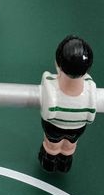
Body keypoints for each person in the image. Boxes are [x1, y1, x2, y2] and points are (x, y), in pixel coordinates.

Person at [38, 35, 96, 173]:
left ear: (58, 64)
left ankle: (49, 161)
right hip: (77, 127)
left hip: (54, 126)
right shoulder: (90, 87)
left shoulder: (50, 86)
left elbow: (47, 115)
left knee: (52, 145)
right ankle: (64, 162)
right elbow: (90, 118)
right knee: (70, 145)